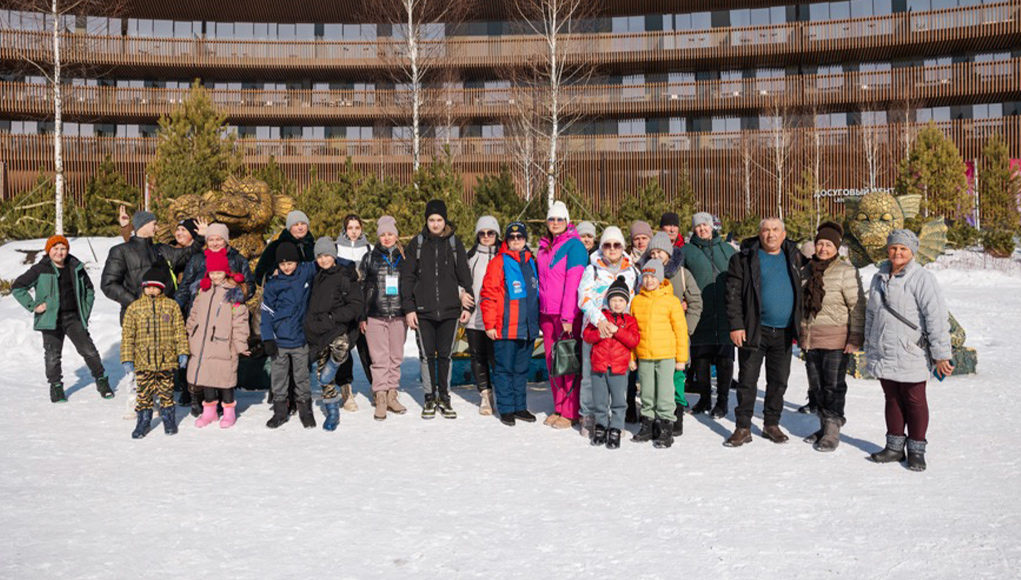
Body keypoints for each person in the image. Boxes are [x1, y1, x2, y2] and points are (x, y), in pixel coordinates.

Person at [865, 230, 952, 472]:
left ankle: (916, 450)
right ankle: (894, 447)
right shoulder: (878, 278)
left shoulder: (922, 278)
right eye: (894, 248)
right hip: (884, 349)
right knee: (891, 398)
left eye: (903, 248)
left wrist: (941, 353)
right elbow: (871, 314)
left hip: (911, 350)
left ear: (912, 251)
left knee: (914, 400)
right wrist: (869, 345)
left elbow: (936, 317)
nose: (898, 252)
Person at [724, 217, 804, 447]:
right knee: (748, 381)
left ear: (784, 233)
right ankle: (743, 427)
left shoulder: (794, 257)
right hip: (753, 330)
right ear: (760, 234)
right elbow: (733, 295)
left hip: (785, 332)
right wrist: (736, 325)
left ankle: (771, 424)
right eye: (766, 230)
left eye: (776, 230)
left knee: (778, 381)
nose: (771, 234)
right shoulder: (744, 258)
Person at [13, 235, 111, 402]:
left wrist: (84, 313)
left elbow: (89, 290)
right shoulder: (40, 269)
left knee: (89, 351)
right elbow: (18, 287)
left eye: (63, 248)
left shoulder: (75, 266)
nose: (59, 252)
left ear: (67, 250)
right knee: (52, 355)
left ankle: (101, 379)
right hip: (50, 320)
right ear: (49, 250)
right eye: (55, 249)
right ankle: (56, 386)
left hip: (73, 318)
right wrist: (33, 305)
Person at [401, 200, 474, 420]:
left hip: (450, 311)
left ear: (445, 220)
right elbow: (407, 278)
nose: (435, 224)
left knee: (445, 356)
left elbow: (464, 275)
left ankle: (444, 396)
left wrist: (468, 306)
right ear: (426, 221)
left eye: (439, 220)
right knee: (426, 356)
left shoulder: (454, 244)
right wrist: (409, 308)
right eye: (431, 220)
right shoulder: (417, 244)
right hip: (423, 312)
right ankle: (429, 398)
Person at [799, 222, 865, 452]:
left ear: (837, 247)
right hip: (811, 337)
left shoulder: (846, 271)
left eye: (828, 244)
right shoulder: (806, 270)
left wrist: (855, 337)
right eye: (820, 243)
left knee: (833, 386)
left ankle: (832, 430)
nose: (823, 248)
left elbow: (857, 306)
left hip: (836, 338)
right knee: (816, 387)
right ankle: (824, 425)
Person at [577, 226, 639, 438]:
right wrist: (600, 320)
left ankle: (615, 419)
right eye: (607, 245)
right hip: (596, 330)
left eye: (616, 245)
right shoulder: (592, 269)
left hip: (620, 333)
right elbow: (583, 298)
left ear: (622, 247)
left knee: (617, 378)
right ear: (601, 246)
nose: (612, 249)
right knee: (591, 376)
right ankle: (589, 414)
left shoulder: (631, 271)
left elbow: (635, 301)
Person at [481, 222, 541, 426]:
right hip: (506, 327)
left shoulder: (531, 261)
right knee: (504, 369)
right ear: (506, 240)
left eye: (520, 237)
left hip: (527, 328)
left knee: (522, 369)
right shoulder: (499, 262)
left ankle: (519, 406)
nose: (516, 240)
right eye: (512, 237)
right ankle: (506, 408)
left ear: (525, 240)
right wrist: (489, 324)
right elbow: (488, 295)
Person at [642, 231, 703, 432]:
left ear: (669, 253)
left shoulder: (682, 274)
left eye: (660, 252)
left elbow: (695, 303)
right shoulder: (645, 274)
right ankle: (655, 417)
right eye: (653, 252)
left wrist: (687, 330)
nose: (656, 256)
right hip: (651, 341)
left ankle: (676, 417)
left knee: (676, 379)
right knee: (652, 382)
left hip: (675, 340)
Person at [537, 201, 589, 429]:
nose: (555, 223)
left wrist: (568, 316)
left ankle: (570, 411)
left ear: (567, 221)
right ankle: (558, 406)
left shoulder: (575, 246)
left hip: (565, 315)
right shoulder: (544, 247)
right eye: (552, 219)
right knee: (552, 362)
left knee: (567, 362)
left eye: (560, 219)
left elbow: (573, 284)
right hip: (547, 314)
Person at [121, 267, 189, 439]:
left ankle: (169, 419)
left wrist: (182, 352)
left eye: (155, 286)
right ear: (143, 288)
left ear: (162, 287)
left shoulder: (171, 306)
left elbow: (179, 331)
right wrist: (127, 358)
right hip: (143, 360)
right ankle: (143, 421)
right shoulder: (134, 308)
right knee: (143, 394)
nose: (151, 290)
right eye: (148, 286)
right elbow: (128, 335)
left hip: (166, 359)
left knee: (167, 392)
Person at [681, 212, 737, 419]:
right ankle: (704, 399)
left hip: (725, 311)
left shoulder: (728, 250)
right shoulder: (686, 251)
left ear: (712, 226)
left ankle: (722, 402)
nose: (702, 229)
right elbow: (680, 277)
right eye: (698, 226)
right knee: (701, 358)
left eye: (705, 225)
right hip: (699, 311)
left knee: (725, 358)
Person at [186, 250, 251, 429]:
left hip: (223, 344)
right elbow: (193, 315)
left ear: (226, 272)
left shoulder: (233, 293)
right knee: (207, 379)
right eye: (212, 273)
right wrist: (190, 333)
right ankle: (210, 412)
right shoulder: (203, 291)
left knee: (224, 381)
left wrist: (240, 343)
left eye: (219, 272)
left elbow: (240, 321)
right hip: (202, 344)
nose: (215, 276)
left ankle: (229, 413)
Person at [305, 237, 365, 431]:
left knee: (341, 348)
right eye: (320, 257)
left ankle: (334, 364)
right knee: (324, 378)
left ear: (334, 255)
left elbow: (355, 305)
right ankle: (332, 412)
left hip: (338, 327)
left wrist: (333, 317)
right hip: (318, 331)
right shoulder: (316, 277)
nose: (324, 260)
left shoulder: (345, 276)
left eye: (327, 256)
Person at [101, 210, 205, 321]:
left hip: (164, 316)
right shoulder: (120, 251)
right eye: (154, 224)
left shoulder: (162, 249)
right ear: (143, 224)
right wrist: (136, 302)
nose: (157, 228)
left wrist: (200, 237)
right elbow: (108, 284)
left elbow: (189, 253)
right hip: (137, 317)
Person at [630, 260, 689, 449]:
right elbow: (632, 332)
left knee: (665, 392)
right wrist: (632, 357)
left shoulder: (670, 301)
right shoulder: (637, 301)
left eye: (653, 276)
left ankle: (665, 426)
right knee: (646, 392)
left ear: (660, 278)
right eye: (645, 276)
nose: (649, 281)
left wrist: (681, 358)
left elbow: (680, 330)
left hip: (666, 355)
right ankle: (648, 423)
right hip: (645, 354)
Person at [260, 241, 318, 429]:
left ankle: (305, 410)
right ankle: (280, 411)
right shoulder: (273, 284)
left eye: (290, 263)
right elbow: (266, 312)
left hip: (300, 339)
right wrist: (268, 337)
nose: (287, 267)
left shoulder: (305, 273)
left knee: (302, 377)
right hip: (280, 340)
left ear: (297, 262)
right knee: (279, 378)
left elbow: (324, 258)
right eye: (283, 264)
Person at [360, 216, 409, 421]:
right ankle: (380, 396)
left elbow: (410, 285)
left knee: (395, 357)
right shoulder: (370, 257)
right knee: (379, 358)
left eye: (390, 234)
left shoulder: (405, 257)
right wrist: (362, 315)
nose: (386, 238)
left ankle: (392, 394)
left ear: (396, 235)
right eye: (383, 234)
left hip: (398, 314)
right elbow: (363, 288)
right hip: (375, 314)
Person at [582, 276, 640, 449]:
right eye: (614, 300)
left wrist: (617, 331)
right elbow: (587, 335)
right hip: (599, 365)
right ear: (608, 301)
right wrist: (600, 332)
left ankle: (616, 427)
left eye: (621, 300)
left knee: (618, 400)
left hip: (619, 367)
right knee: (599, 399)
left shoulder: (629, 321)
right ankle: (600, 425)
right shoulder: (600, 318)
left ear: (626, 302)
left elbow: (633, 340)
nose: (617, 304)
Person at [336, 213, 374, 409]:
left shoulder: (369, 249)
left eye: (357, 228)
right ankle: (345, 388)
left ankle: (377, 386)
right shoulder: (336, 248)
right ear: (345, 229)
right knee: (344, 347)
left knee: (368, 348)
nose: (353, 232)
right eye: (350, 228)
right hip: (343, 306)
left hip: (364, 305)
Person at [464, 215, 501, 415]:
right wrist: (461, 295)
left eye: (490, 233)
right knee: (478, 356)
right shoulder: (471, 256)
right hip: (475, 316)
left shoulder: (504, 255)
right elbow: (461, 280)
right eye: (482, 233)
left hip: (497, 318)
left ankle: (501, 392)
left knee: (497, 356)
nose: (486, 237)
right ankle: (485, 394)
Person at [177, 223, 254, 316]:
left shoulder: (238, 260)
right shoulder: (197, 259)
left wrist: (235, 296)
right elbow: (184, 288)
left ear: (225, 241)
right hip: (200, 312)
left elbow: (250, 286)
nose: (214, 243)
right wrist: (176, 308)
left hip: (227, 312)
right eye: (211, 240)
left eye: (219, 239)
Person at [255, 210, 316, 285]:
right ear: (289, 228)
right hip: (285, 292)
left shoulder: (314, 246)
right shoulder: (276, 246)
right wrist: (272, 274)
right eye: (296, 225)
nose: (300, 228)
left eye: (303, 224)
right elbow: (260, 274)